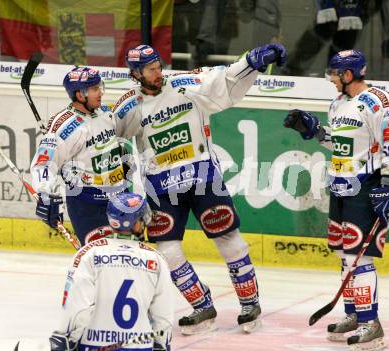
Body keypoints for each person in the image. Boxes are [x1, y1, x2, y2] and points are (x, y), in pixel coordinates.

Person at [113, 43, 286, 334]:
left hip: (202, 176)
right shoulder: (128, 106)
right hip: (161, 188)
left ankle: (249, 303)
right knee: (167, 252)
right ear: (135, 74)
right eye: (151, 69)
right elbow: (106, 138)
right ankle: (202, 305)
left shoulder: (186, 84)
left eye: (158, 66)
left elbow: (227, 78)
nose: (158, 72)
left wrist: (253, 60)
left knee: (229, 238)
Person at [283, 50, 389, 350]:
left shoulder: (378, 100)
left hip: (366, 186)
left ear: (349, 75)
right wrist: (315, 132)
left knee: (359, 256)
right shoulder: (338, 102)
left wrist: (387, 184)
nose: (332, 79)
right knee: (343, 253)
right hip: (340, 185)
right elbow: (340, 144)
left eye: (336, 74)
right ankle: (353, 315)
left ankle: (371, 324)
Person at [49, 192, 174, 351]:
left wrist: (67, 338)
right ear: (134, 223)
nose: (145, 221)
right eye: (142, 218)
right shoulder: (156, 260)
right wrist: (162, 344)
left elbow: (79, 307)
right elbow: (164, 315)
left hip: (94, 345)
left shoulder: (89, 254)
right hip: (140, 346)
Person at [30, 66, 130, 246]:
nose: (100, 92)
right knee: (100, 261)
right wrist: (45, 192)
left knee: (127, 258)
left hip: (120, 197)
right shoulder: (63, 126)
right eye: (94, 89)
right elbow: (43, 163)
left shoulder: (105, 112)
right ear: (79, 95)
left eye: (99, 87)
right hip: (88, 204)